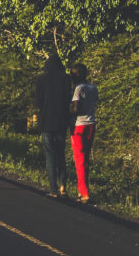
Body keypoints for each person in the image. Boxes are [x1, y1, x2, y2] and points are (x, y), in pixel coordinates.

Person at [34, 54, 71, 197]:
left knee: (50, 155)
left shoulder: (41, 79)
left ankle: (53, 189)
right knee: (60, 153)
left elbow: (38, 102)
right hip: (62, 121)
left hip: (47, 121)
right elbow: (68, 98)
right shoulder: (66, 78)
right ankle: (63, 186)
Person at [70, 63, 98, 203]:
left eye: (73, 74)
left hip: (79, 126)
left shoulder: (78, 88)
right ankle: (82, 190)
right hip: (91, 124)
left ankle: (84, 193)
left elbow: (76, 109)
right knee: (85, 159)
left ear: (78, 75)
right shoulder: (93, 88)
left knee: (79, 160)